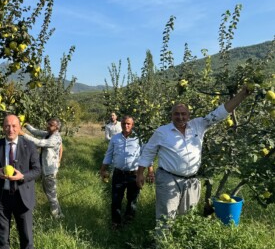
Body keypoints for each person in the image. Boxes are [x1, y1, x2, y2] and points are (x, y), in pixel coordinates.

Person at [136, 87, 251, 229]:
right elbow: (148, 152)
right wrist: (140, 173)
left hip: (191, 180)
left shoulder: (199, 125)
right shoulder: (162, 132)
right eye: (176, 114)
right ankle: (161, 248)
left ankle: (180, 246)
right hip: (168, 178)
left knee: (187, 217)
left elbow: (220, 113)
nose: (180, 117)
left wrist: (241, 95)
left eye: (183, 114)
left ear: (188, 115)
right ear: (171, 115)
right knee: (165, 217)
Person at [0, 114, 41, 249]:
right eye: (7, 126)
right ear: (3, 127)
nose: (10, 129)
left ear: (19, 127)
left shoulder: (28, 146)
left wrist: (22, 176)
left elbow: (37, 170)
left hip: (23, 197)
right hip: (2, 197)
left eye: (14, 126)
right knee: (2, 235)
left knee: (26, 236)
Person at [100, 116, 153, 229]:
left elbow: (146, 155)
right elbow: (109, 154)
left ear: (132, 125)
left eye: (128, 124)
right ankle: (116, 223)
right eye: (124, 123)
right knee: (116, 199)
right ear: (121, 124)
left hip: (134, 174)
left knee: (132, 200)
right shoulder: (115, 138)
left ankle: (129, 222)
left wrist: (150, 171)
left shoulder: (139, 138)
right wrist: (103, 169)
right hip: (118, 174)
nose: (126, 126)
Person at [21, 117, 64, 218]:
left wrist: (23, 134)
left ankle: (57, 215)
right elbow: (37, 132)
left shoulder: (55, 138)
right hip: (47, 168)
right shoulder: (49, 134)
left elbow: (39, 143)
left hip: (50, 170)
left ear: (57, 127)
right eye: (48, 124)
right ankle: (58, 213)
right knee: (49, 192)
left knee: (51, 193)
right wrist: (27, 126)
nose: (48, 126)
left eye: (50, 125)